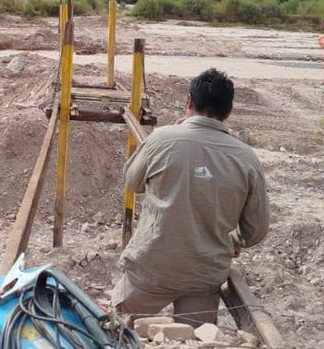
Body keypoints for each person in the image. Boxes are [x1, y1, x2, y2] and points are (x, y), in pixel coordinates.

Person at [111, 68, 269, 326]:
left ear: (189, 102)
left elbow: (133, 183)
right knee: (195, 337)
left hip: (152, 268)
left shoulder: (162, 139)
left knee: (117, 331)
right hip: (204, 276)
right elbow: (257, 228)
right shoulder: (246, 157)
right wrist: (234, 241)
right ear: (229, 112)